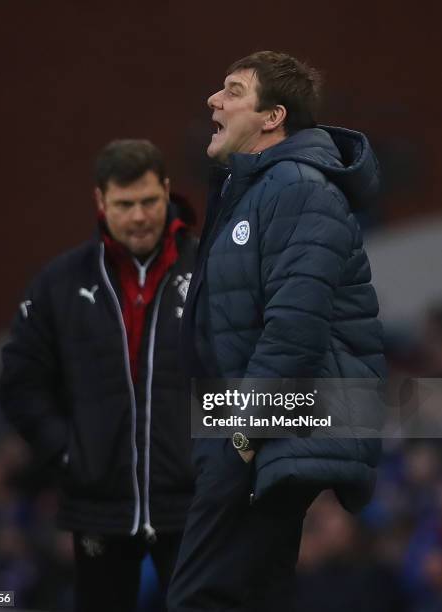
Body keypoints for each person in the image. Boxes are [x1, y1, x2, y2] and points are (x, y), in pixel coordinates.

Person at [167, 52, 386, 611]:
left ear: (272, 117)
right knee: (253, 595)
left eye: (233, 91)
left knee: (201, 596)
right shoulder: (255, 189)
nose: (213, 101)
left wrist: (243, 432)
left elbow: (296, 326)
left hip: (263, 419)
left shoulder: (299, 188)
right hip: (243, 417)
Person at [0, 139, 197, 611]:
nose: (139, 216)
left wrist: (216, 453)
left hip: (193, 503)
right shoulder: (60, 283)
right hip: (98, 505)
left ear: (167, 191)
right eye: (124, 204)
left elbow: (239, 369)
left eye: (149, 201)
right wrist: (68, 452)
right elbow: (21, 382)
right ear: (100, 202)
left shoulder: (211, 267)